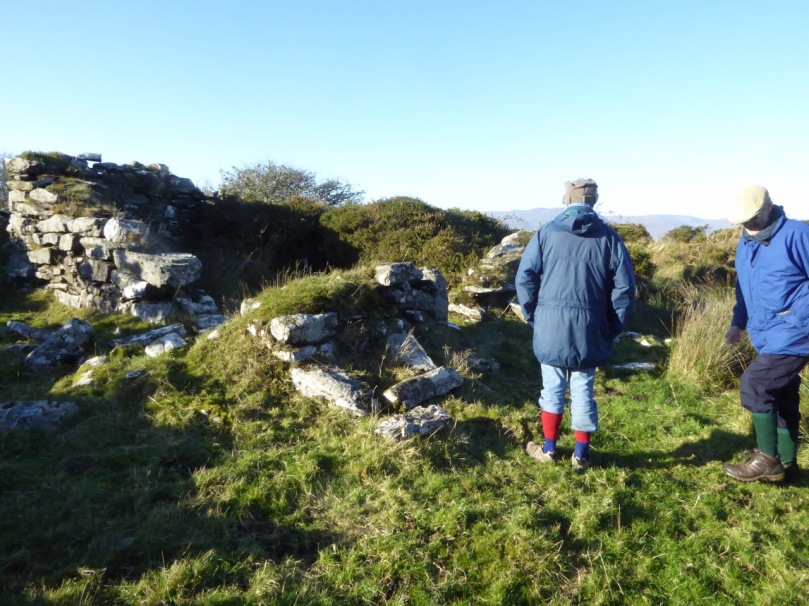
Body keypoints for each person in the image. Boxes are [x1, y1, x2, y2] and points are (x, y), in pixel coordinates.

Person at [516, 179, 635, 472]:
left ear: (566, 200)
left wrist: (533, 316)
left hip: (550, 324)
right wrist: (613, 326)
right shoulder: (609, 238)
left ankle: (548, 449)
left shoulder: (546, 232)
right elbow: (624, 289)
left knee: (552, 388)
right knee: (583, 389)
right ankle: (581, 456)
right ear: (594, 201)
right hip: (590, 327)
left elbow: (525, 277)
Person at [723, 185, 809, 484]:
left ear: (767, 208)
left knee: (756, 384)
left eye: (752, 219)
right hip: (766, 334)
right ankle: (787, 465)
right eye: (742, 222)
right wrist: (738, 322)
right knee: (782, 396)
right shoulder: (746, 242)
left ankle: (767, 459)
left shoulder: (797, 235)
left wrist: (799, 315)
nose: (748, 226)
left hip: (796, 333)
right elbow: (743, 287)